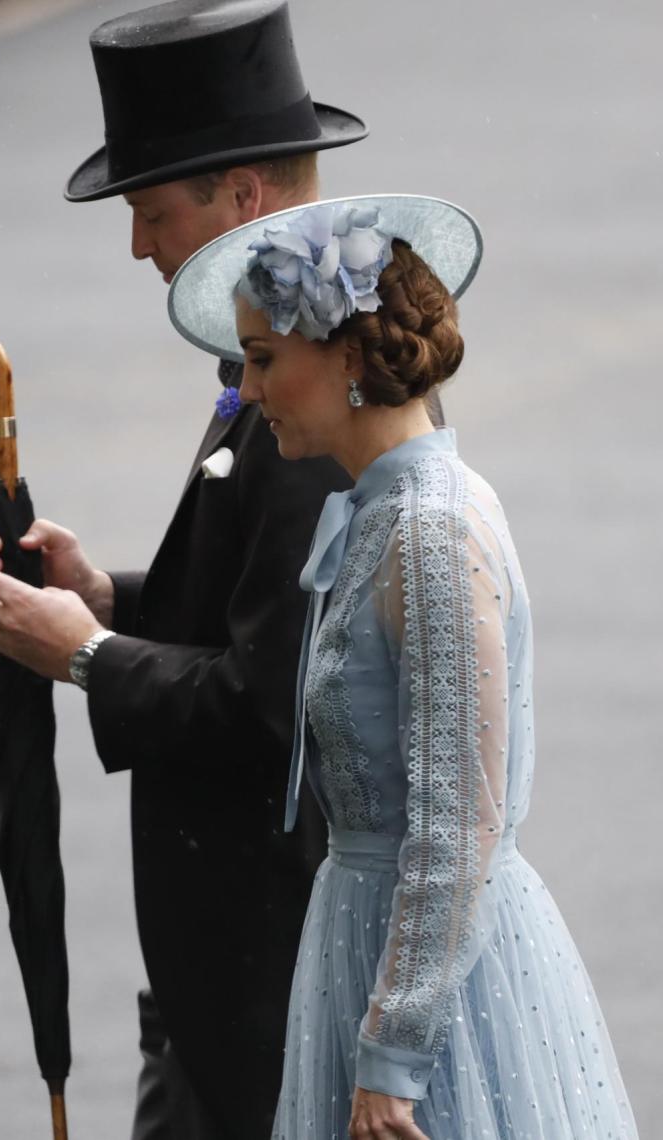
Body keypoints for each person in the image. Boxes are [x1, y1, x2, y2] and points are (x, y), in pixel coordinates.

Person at [0, 3, 391, 1137]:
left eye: (153, 211)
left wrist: (90, 655)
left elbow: (269, 704)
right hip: (232, 975)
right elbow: (269, 608)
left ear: (243, 197)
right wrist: (113, 598)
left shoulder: (309, 394)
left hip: (277, 973)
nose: (139, 245)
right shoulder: (287, 352)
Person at [165, 195, 639, 1140]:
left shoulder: (428, 531)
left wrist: (392, 1054)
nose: (247, 394)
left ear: (344, 356)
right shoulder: (382, 510)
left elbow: (458, 821)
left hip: (435, 989)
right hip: (365, 940)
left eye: (262, 361)